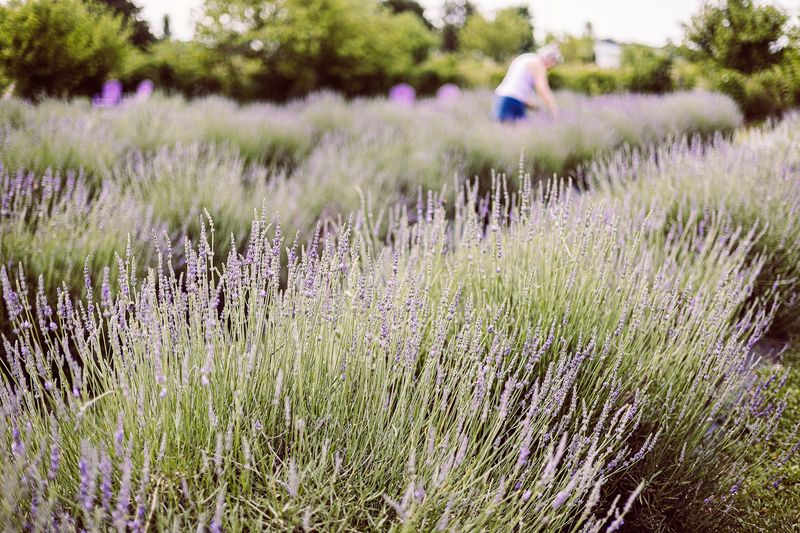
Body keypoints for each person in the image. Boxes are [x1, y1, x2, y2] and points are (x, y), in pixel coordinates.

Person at [493, 44, 563, 123]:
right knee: (517, 131)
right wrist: (554, 110)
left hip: (502, 97)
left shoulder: (526, 58)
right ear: (549, 58)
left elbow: (516, 86)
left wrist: (534, 107)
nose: (551, 66)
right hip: (512, 100)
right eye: (553, 62)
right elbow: (542, 89)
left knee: (506, 130)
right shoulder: (537, 63)